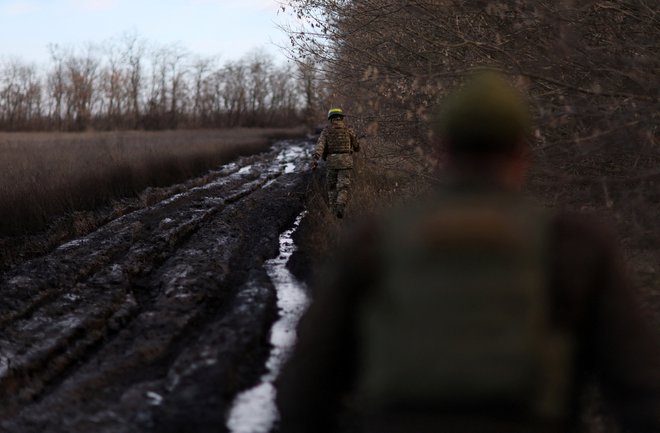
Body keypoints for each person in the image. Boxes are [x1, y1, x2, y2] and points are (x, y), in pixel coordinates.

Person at [276, 73, 660, 432]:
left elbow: (303, 391)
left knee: (335, 189)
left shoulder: (375, 240)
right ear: (521, 150)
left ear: (441, 149)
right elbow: (641, 390)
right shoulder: (577, 243)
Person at [313, 108, 360, 218]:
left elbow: (320, 145)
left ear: (330, 118)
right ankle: (340, 205)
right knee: (343, 187)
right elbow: (357, 145)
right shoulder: (349, 129)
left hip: (332, 162)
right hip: (346, 161)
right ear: (341, 117)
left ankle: (333, 212)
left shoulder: (326, 131)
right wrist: (356, 147)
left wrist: (316, 156)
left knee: (332, 187)